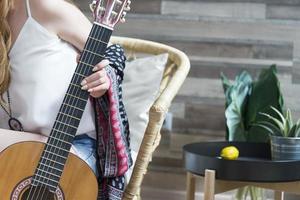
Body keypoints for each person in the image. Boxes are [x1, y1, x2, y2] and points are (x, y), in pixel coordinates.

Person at [0, 0, 131, 199]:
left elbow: (111, 54)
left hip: (70, 144)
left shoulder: (42, 7)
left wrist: (102, 78)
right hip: (11, 144)